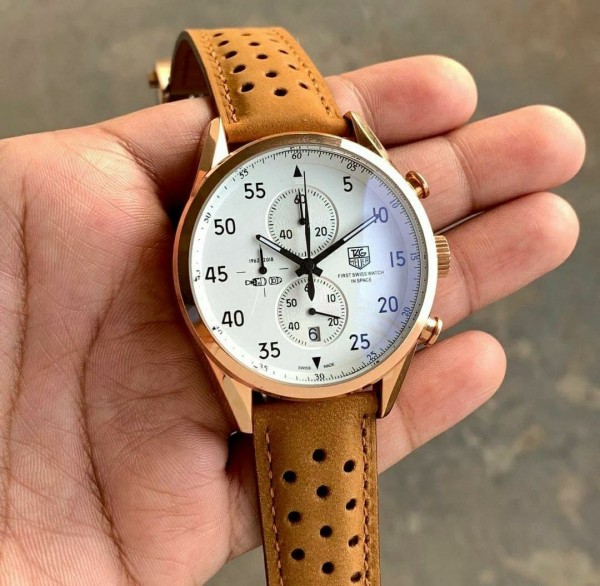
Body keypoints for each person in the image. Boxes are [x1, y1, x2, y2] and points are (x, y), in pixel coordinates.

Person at [0, 56, 584, 583]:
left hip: (341, 366)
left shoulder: (366, 190)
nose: (307, 268)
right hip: (267, 368)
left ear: (431, 252)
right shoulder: (226, 164)